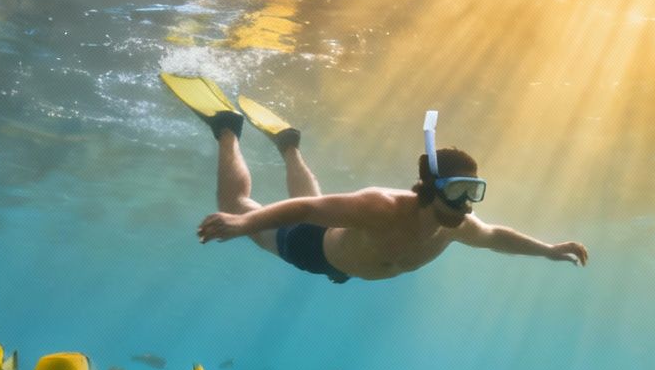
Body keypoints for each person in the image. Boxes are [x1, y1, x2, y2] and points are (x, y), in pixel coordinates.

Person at [162, 75, 589, 284]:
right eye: (458, 192)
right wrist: (241, 224)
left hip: (341, 257)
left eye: (473, 192)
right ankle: (227, 128)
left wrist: (549, 250)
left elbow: (497, 236)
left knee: (322, 207)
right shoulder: (381, 208)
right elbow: (307, 209)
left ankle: (288, 143)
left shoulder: (455, 227)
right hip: (311, 250)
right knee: (239, 205)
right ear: (430, 189)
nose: (467, 206)